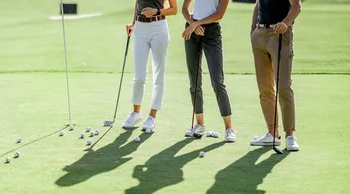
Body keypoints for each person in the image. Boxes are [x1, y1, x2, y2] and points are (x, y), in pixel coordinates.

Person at [181, 0, 237, 142]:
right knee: (194, 80)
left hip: (211, 32)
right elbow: (185, 9)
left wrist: (196, 24)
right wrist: (192, 22)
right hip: (192, 31)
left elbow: (219, 14)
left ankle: (229, 128)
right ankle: (199, 124)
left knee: (217, 81)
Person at [249, 0, 301, 151]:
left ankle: (290, 135)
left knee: (284, 86)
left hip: (280, 35)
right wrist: (253, 30)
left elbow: (297, 7)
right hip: (259, 35)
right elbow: (258, 4)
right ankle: (272, 133)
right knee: (265, 88)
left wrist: (285, 23)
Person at [122, 0, 178, 133]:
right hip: (140, 29)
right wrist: (134, 23)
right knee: (139, 76)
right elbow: (138, 3)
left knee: (158, 75)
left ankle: (152, 116)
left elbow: (174, 9)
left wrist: (156, 11)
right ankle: (136, 113)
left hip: (159, 27)